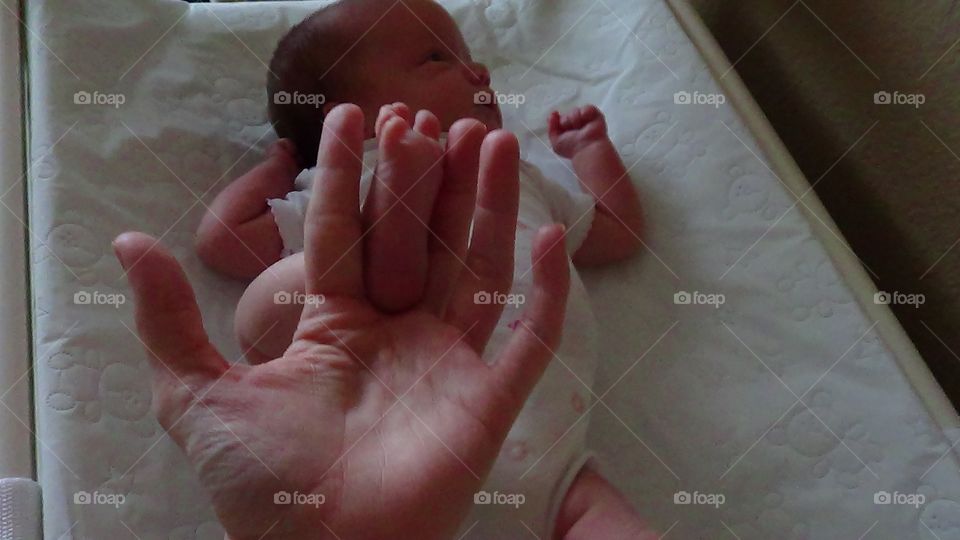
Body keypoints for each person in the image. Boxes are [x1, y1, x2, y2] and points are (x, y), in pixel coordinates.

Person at [114, 104, 653, 539]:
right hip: (378, 445)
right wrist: (277, 169)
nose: (478, 72)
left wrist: (588, 152)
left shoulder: (519, 172)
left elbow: (616, 230)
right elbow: (225, 240)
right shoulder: (336, 184)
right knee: (280, 295)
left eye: (472, 61)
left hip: (557, 479)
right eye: (436, 56)